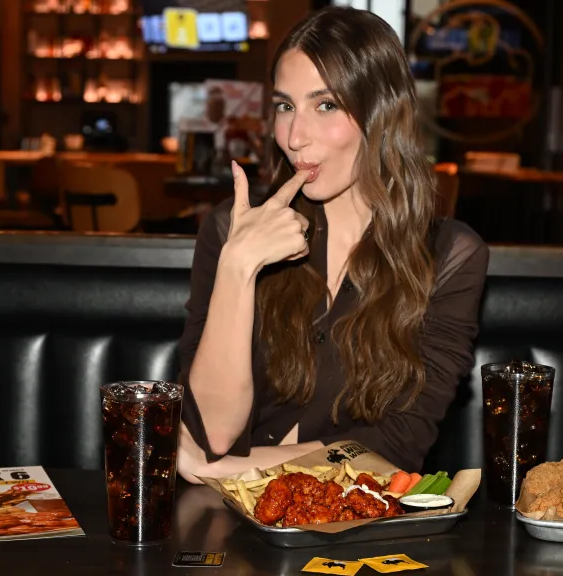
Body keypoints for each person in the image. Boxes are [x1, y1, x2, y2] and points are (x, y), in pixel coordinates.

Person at [175, 6, 489, 481]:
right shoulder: (232, 229)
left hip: (353, 533)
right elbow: (211, 435)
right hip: (228, 532)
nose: (296, 136)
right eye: (285, 107)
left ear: (381, 111)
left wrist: (227, 468)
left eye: (326, 105)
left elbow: (397, 450)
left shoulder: (448, 255)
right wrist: (238, 266)